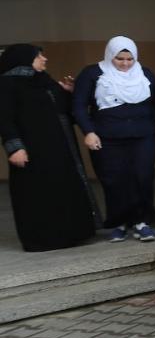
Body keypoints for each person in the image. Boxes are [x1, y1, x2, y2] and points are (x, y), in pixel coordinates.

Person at [0, 44, 99, 251]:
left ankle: (72, 234)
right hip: (32, 149)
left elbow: (64, 111)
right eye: (39, 56)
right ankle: (43, 239)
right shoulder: (8, 84)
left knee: (63, 188)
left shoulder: (46, 81)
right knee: (37, 194)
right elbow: (5, 119)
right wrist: (14, 147)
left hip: (60, 147)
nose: (44, 59)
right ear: (25, 59)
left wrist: (69, 94)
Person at [72, 36, 155, 242]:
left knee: (142, 176)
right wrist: (88, 131)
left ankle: (142, 222)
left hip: (143, 135)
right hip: (107, 136)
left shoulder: (145, 74)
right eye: (119, 59)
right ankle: (119, 223)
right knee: (114, 179)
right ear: (110, 55)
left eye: (129, 59)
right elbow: (78, 105)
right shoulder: (93, 73)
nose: (125, 64)